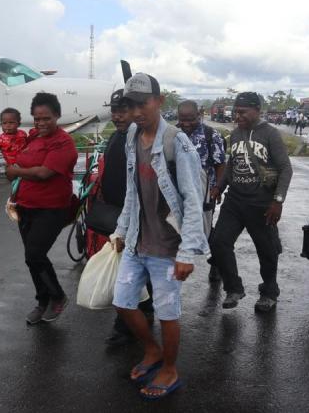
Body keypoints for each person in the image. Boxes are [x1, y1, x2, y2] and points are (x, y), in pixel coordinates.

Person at [111, 72, 208, 400]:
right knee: (123, 302)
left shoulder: (176, 142)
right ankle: (152, 351)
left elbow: (193, 200)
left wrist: (187, 252)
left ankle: (169, 368)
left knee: (167, 311)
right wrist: (122, 230)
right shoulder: (132, 136)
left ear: (159, 101)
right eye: (132, 104)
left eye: (144, 103)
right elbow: (132, 190)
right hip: (138, 239)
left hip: (167, 245)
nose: (137, 111)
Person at [209, 92, 293, 312]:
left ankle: (269, 292)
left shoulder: (270, 134)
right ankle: (234, 288)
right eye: (236, 112)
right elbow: (231, 164)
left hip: (262, 203)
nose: (238, 116)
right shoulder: (236, 134)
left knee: (267, 251)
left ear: (257, 110)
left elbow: (285, 168)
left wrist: (278, 201)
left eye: (242, 112)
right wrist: (219, 186)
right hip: (235, 201)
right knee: (219, 242)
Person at [6, 93, 78, 324]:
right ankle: (42, 301)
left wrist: (15, 171)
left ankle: (57, 297)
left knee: (35, 253)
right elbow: (22, 161)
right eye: (37, 119)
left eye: (46, 118)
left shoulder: (63, 143)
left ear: (57, 115)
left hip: (52, 209)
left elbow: (43, 173)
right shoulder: (34, 137)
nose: (41, 123)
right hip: (26, 207)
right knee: (31, 258)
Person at [100, 90, 155, 347]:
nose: (117, 115)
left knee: (129, 273)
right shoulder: (116, 137)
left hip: (137, 217)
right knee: (136, 270)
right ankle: (146, 307)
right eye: (114, 110)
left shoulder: (143, 141)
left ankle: (124, 326)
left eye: (123, 110)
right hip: (116, 214)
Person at [176, 100, 227, 280]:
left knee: (204, 229)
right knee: (175, 227)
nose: (186, 124)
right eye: (182, 119)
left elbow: (221, 164)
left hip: (204, 190)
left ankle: (216, 262)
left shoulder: (211, 135)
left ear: (199, 115)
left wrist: (217, 188)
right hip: (178, 190)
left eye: (190, 119)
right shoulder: (173, 133)